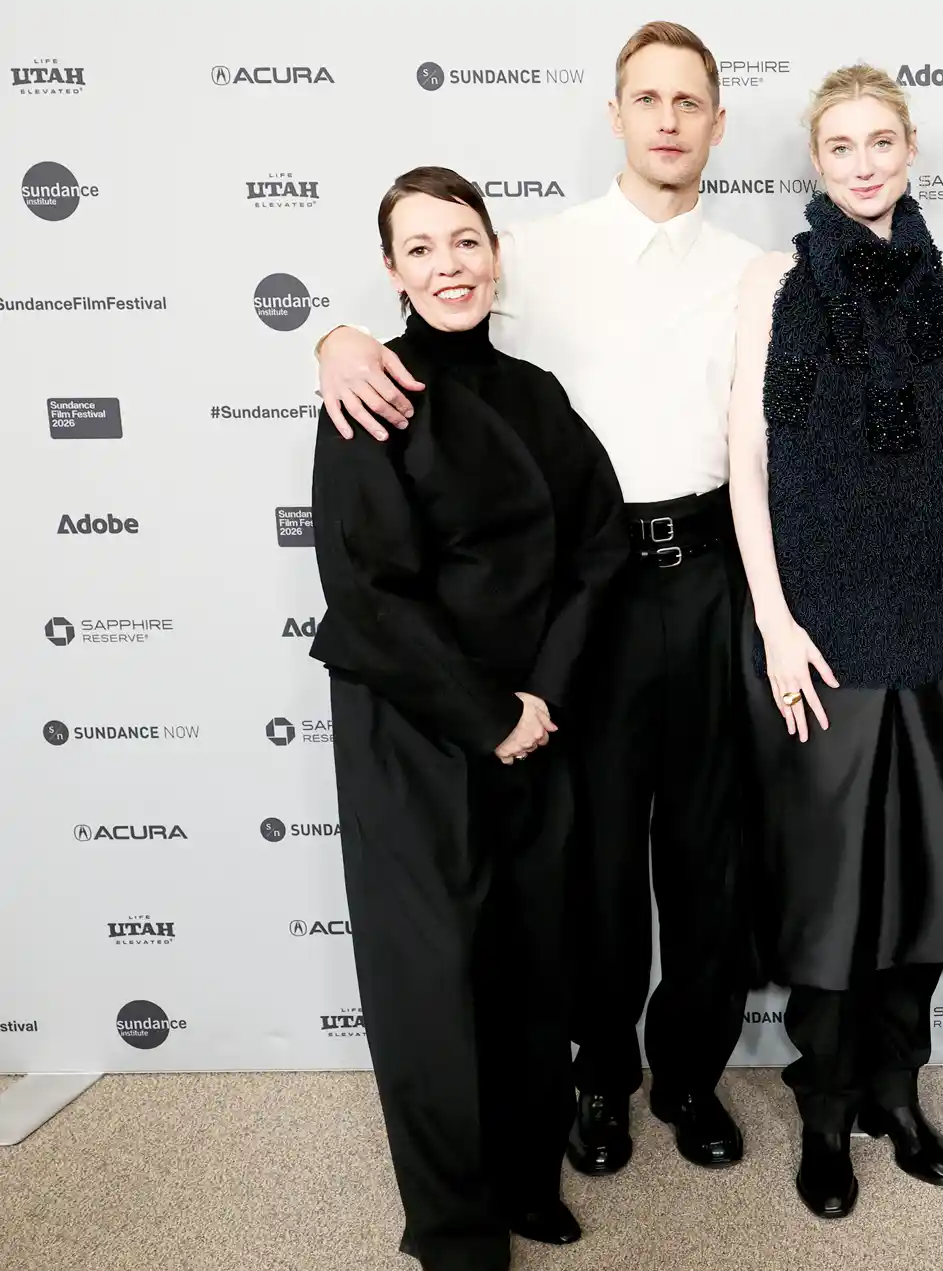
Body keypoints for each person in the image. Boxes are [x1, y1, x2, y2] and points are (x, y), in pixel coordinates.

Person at [311, 23, 763, 1180]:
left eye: (689, 101)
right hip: (592, 596)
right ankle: (600, 1082)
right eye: (645, 98)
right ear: (614, 114)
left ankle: (695, 1077)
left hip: (709, 576)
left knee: (707, 857)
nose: (667, 119)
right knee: (600, 864)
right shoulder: (537, 251)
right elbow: (427, 311)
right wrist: (330, 337)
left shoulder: (760, 269)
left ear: (718, 122)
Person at [310, 167, 628, 1271]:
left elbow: (598, 552)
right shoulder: (367, 391)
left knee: (531, 963)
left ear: (496, 254)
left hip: (535, 724)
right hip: (418, 731)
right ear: (391, 271)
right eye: (421, 247)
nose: (449, 264)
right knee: (432, 984)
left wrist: (537, 696)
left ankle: (526, 1180)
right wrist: (485, 713)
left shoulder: (538, 393)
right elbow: (368, 598)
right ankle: (453, 1229)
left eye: (466, 241)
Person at [727, 65, 943, 1219]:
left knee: (928, 878)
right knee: (829, 886)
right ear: (815, 161)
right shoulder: (773, 279)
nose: (861, 162)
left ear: (908, 148)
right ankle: (823, 1102)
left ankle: (897, 1089)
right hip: (822, 627)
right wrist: (773, 620)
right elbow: (746, 463)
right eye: (840, 145)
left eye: (879, 140)